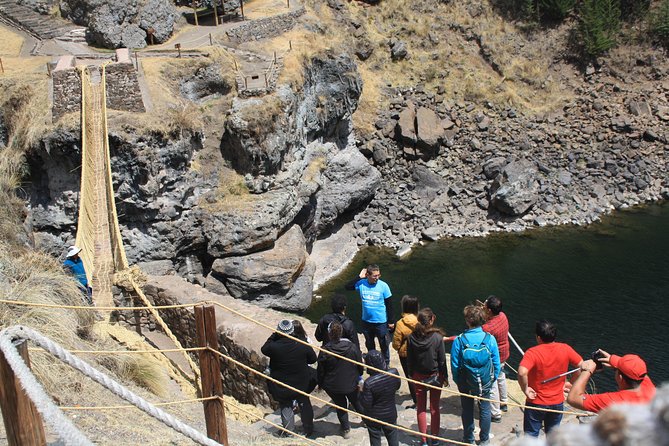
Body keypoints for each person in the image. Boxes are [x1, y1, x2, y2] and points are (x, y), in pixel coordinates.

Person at [518, 320, 583, 438]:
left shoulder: (532, 352)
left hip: (536, 402)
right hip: (557, 402)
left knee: (531, 436)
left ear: (538, 337)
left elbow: (522, 372)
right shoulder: (565, 348)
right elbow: (581, 366)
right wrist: (570, 382)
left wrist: (525, 389)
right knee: (553, 437)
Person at [451, 304, 500, 446]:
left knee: (467, 409)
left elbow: (454, 364)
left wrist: (458, 380)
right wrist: (492, 378)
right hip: (485, 380)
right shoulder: (489, 339)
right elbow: (496, 363)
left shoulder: (460, 340)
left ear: (467, 321)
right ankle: (484, 439)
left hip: (465, 380)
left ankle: (468, 438)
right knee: (485, 409)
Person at [261, 319, 317, 437]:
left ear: (279, 332)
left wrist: (274, 334)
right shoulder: (301, 343)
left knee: (286, 406)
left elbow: (264, 348)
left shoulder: (274, 346)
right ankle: (308, 429)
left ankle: (289, 432)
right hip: (301, 382)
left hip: (283, 384)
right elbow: (312, 359)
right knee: (304, 403)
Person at [407, 308, 448, 446]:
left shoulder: (411, 337)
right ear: (431, 320)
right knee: (435, 407)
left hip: (418, 376)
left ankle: (423, 441)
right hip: (435, 376)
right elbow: (442, 360)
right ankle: (434, 439)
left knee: (421, 407)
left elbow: (410, 360)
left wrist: (411, 374)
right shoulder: (437, 338)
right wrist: (445, 376)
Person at [567, 350, 656, 413]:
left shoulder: (614, 401)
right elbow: (636, 369)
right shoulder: (648, 385)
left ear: (620, 378)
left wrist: (587, 371)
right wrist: (613, 360)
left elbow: (573, 399)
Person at [317, 321, 364, 439]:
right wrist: (359, 376)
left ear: (329, 334)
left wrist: (320, 383)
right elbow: (359, 364)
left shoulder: (325, 350)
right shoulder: (352, 347)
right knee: (357, 401)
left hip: (333, 385)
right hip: (351, 382)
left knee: (341, 406)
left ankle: (346, 429)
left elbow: (321, 370)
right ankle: (368, 422)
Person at [346, 264, 393, 365]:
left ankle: (386, 363)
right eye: (375, 276)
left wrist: (391, 321)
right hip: (366, 321)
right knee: (369, 343)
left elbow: (389, 305)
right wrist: (359, 277)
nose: (377, 278)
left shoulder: (383, 286)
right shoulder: (361, 284)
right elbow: (347, 287)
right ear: (367, 275)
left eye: (378, 275)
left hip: (381, 321)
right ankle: (373, 362)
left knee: (384, 344)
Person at [360, 350, 401, 446]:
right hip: (390, 413)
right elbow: (397, 386)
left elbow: (366, 404)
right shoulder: (394, 373)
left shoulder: (369, 383)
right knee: (393, 438)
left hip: (374, 417)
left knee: (375, 439)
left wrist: (360, 392)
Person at [482, 295, 510, 422]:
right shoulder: (503, 316)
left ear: (489, 310)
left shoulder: (487, 328)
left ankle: (495, 413)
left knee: (492, 384)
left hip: (494, 357)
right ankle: (504, 402)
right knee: (501, 377)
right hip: (504, 354)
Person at [392, 294, 419, 407]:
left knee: (410, 376)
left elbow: (396, 343)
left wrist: (399, 348)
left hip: (406, 354)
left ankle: (416, 400)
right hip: (420, 351)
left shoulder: (400, 323)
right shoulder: (421, 320)